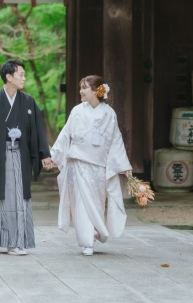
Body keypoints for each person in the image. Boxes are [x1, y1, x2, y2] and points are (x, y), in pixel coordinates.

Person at [0, 59, 54, 256]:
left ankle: (16, 242)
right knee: (2, 197)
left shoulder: (28, 102)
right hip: (0, 157)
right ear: (9, 77)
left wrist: (44, 154)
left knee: (19, 197)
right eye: (21, 75)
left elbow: (38, 130)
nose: (24, 78)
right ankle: (2, 239)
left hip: (21, 156)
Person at [49, 75, 132, 257]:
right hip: (78, 163)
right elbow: (65, 134)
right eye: (80, 87)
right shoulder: (77, 111)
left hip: (99, 166)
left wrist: (123, 164)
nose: (80, 91)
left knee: (97, 202)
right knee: (81, 203)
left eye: (84, 88)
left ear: (96, 91)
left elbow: (116, 139)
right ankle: (86, 241)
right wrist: (53, 156)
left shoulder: (109, 113)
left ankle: (95, 231)